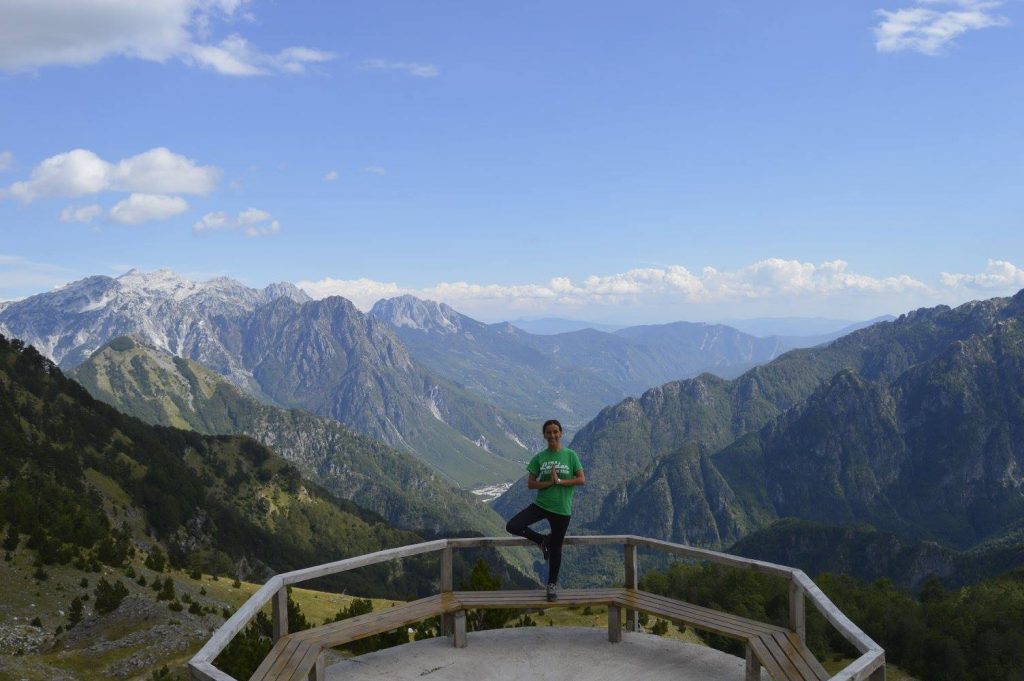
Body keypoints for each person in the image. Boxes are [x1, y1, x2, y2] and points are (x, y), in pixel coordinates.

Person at [505, 419, 585, 601]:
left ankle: (551, 586)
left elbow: (581, 479)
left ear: (561, 433)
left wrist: (561, 482)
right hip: (541, 505)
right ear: (544, 435)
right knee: (513, 526)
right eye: (548, 432)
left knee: (556, 549)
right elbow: (531, 484)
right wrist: (549, 482)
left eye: (555, 431)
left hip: (562, 510)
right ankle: (542, 540)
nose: (552, 435)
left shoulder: (570, 455)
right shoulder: (540, 458)